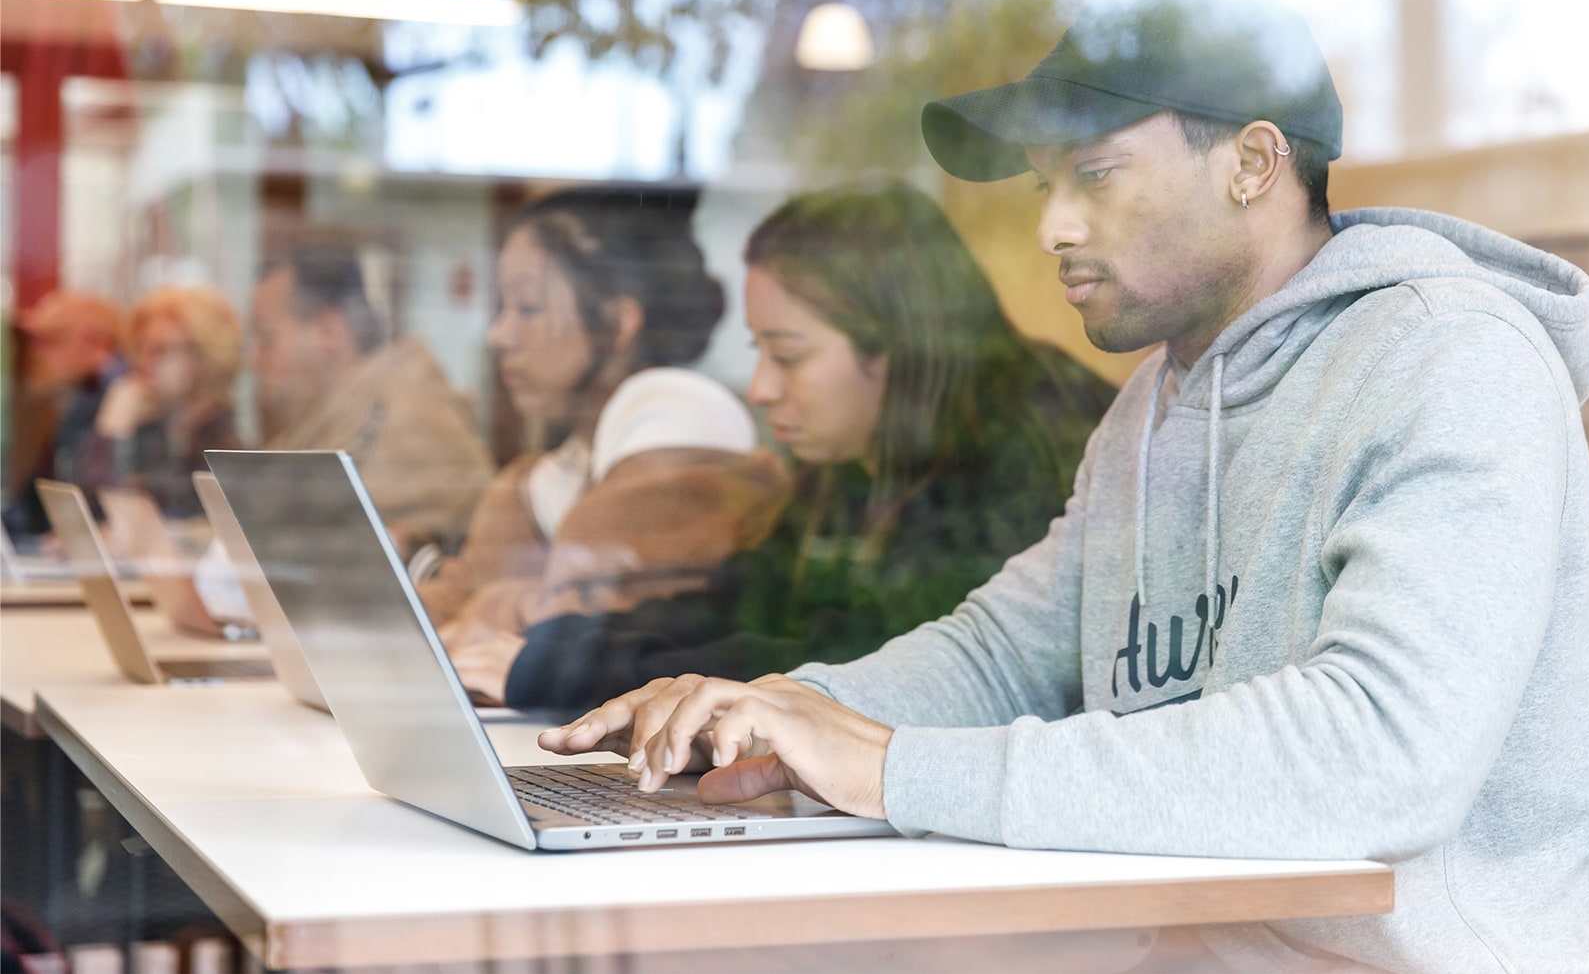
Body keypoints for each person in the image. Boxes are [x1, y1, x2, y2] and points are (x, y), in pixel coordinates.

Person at [541, 0, 1589, 974]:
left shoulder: (1449, 359)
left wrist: (891, 767)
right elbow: (1007, 653)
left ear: (1251, 161)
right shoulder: (1155, 401)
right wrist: (779, 714)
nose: (1050, 226)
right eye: (1044, 186)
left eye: (1091, 175)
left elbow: (1380, 754)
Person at [457, 183, 1117, 709]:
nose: (763, 388)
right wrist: (545, 646)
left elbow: (864, 654)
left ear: (893, 345)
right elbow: (745, 603)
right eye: (759, 351)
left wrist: (556, 666)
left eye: (788, 353)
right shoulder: (856, 459)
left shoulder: (1026, 454)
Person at [417, 186, 790, 651]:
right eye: (502, 309)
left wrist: (490, 609)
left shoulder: (682, 410)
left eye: (528, 307)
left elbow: (590, 614)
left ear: (618, 323)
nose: (499, 336)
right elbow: (466, 603)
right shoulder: (553, 474)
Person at [248, 240, 493, 557]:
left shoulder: (407, 422)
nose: (253, 358)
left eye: (265, 337)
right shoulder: (342, 415)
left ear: (329, 331)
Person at [78, 286, 243, 519]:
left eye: (160, 349)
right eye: (139, 348)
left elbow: (180, 516)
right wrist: (113, 429)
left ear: (203, 354)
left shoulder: (227, 447)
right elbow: (91, 511)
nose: (144, 361)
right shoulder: (151, 428)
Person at [4, 289, 123, 539]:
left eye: (51, 339)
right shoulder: (69, 399)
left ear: (94, 342)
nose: (37, 353)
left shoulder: (118, 395)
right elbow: (35, 496)